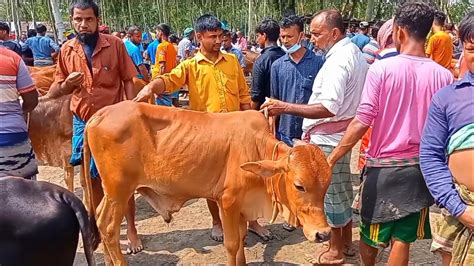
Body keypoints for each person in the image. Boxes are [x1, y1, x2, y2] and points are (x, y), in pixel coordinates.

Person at [326, 3, 454, 265]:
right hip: (421, 169)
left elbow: (363, 120)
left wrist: (334, 156)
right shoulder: (443, 76)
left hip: (383, 168)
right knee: (402, 239)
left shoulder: (382, 69)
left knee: (371, 234)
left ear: (399, 31)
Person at [133, 14, 275, 243]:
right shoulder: (190, 66)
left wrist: (252, 118)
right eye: (212, 37)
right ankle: (217, 222)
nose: (218, 41)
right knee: (214, 184)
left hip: (238, 133)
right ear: (199, 37)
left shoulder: (231, 62)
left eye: (220, 36)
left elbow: (243, 95)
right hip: (208, 138)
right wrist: (151, 86)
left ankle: (252, 221)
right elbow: (169, 80)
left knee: (248, 178)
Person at [262, 9, 368, 264]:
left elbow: (329, 106)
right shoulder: (350, 53)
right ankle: (346, 243)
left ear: (334, 33)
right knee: (340, 191)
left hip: (328, 140)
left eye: (317, 34)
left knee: (328, 196)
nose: (313, 39)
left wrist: (285, 107)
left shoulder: (338, 61)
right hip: (337, 135)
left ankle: (335, 250)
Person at [48, 0, 143, 255]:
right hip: (83, 121)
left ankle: (132, 228)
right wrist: (67, 84)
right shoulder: (67, 50)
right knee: (91, 180)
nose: (83, 24)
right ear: (72, 21)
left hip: (114, 122)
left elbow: (128, 79)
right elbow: (55, 91)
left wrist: (129, 109)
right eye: (78, 19)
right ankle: (102, 230)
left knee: (123, 179)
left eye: (88, 19)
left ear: (97, 20)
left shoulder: (115, 45)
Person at [420, 11, 474, 266]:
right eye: (472, 49)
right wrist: (459, 208)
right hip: (459, 209)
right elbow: (430, 156)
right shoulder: (447, 98)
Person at [270, 15, 324, 146]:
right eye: (282, 37)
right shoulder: (277, 66)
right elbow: (274, 100)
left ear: (301, 36)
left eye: (289, 36)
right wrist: (271, 130)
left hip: (310, 135)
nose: (285, 41)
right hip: (284, 135)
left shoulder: (319, 63)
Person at [0, 47, 39, 180]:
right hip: (12, 136)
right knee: (25, 193)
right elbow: (32, 100)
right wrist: (17, 114)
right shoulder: (12, 58)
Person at [250, 18, 285, 110]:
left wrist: (250, 114)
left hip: (266, 111)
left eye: (258, 36)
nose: (257, 39)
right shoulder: (286, 56)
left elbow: (256, 95)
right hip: (285, 110)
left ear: (264, 36)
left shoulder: (261, 61)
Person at [153, 23, 179, 107]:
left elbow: (162, 66)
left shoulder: (161, 46)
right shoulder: (172, 47)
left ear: (161, 32)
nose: (156, 34)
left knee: (163, 111)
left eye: (156, 32)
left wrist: (158, 85)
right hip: (170, 81)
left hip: (163, 83)